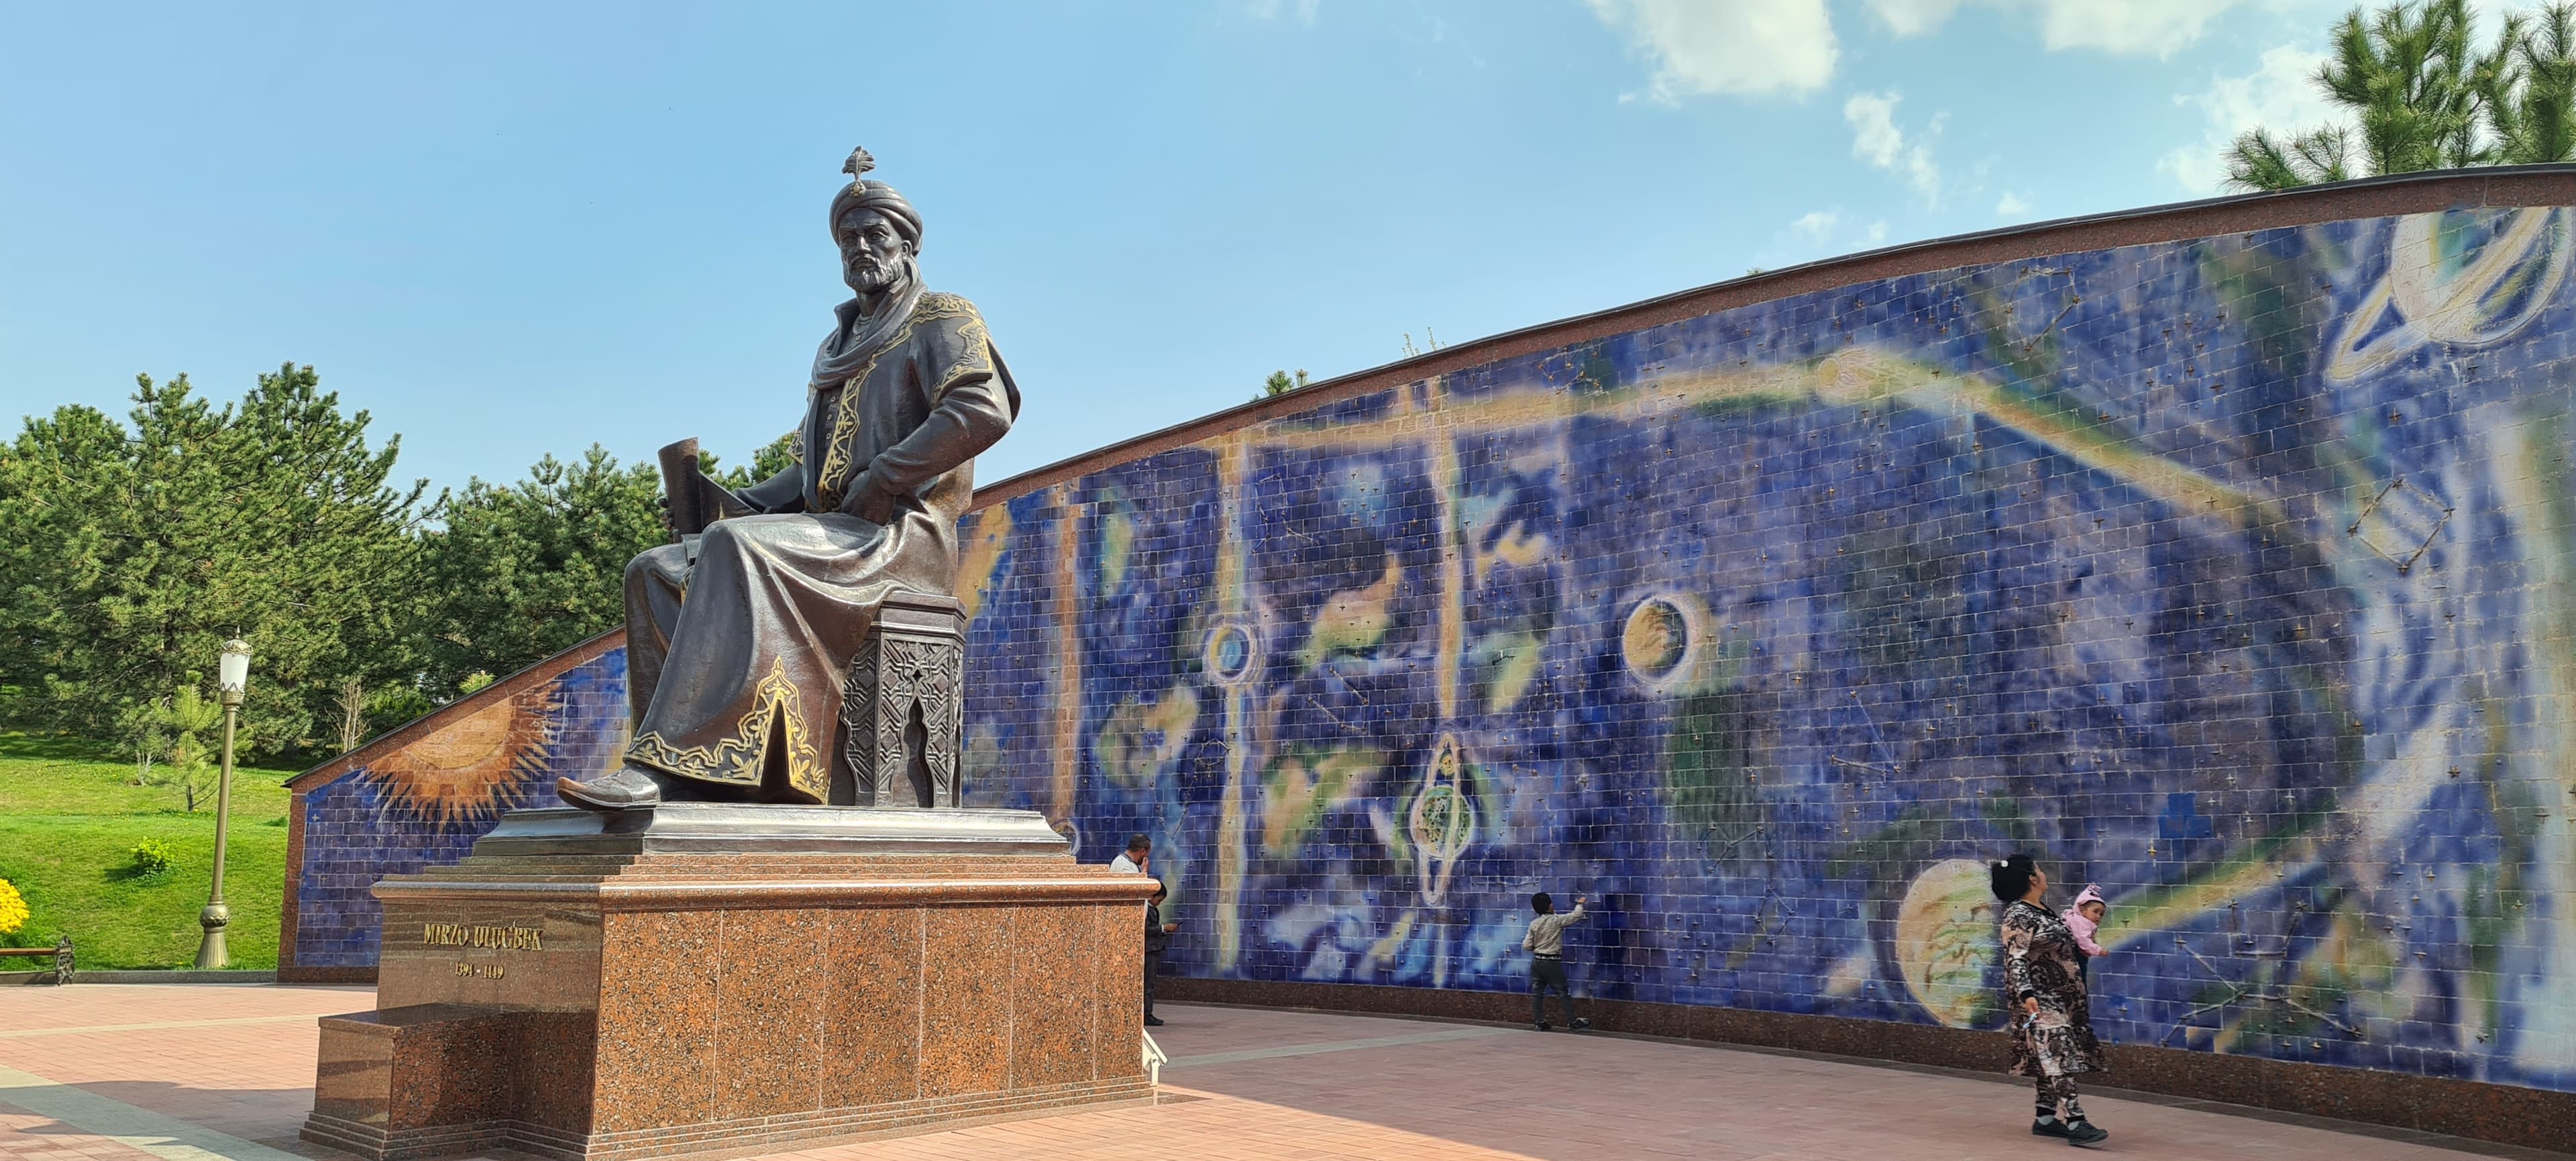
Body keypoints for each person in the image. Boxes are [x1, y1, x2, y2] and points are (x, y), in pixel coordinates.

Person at [557, 146, 1020, 811]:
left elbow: (982, 409)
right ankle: (701, 772)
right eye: (848, 238)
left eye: (874, 234)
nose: (861, 246)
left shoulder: (942, 315)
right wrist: (728, 503)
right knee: (654, 570)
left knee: (736, 548)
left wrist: (888, 476)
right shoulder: (835, 346)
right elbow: (813, 468)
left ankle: (680, 768)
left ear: (907, 244)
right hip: (835, 530)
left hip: (900, 537)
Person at [1994, 854, 2109, 1147]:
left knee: (2048, 1056)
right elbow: (2015, 958)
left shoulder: (2042, 910)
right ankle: (2076, 1121)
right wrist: (2026, 994)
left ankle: (2045, 1118)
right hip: (2039, 1000)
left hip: (2061, 998)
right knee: (2059, 1054)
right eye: (2039, 870)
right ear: (2032, 879)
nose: (2043, 873)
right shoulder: (2019, 914)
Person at [1523, 891, 1590, 1031]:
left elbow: (1527, 945)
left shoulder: (1534, 924)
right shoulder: (1556, 920)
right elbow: (1575, 916)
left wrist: (1539, 947)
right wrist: (1580, 904)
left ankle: (1539, 1022)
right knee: (1562, 992)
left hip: (1537, 962)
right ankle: (1573, 1021)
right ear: (1550, 906)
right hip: (1551, 961)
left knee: (1537, 992)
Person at [2061, 884, 2108, 985]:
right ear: (2082, 909)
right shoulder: (2082, 922)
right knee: (2080, 982)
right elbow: (2083, 940)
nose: (2098, 916)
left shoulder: (2079, 920)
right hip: (2076, 957)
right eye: (2095, 911)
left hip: (2072, 955)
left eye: (2101, 914)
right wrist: (2098, 950)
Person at [1144, 880, 1176, 1027]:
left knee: (1150, 983)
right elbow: (1146, 929)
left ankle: (1146, 1013)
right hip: (1149, 950)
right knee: (1148, 983)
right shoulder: (1146, 910)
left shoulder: (1150, 909)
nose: (1159, 904)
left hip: (1153, 948)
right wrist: (1163, 928)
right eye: (1158, 900)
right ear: (1151, 896)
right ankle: (1146, 1014)